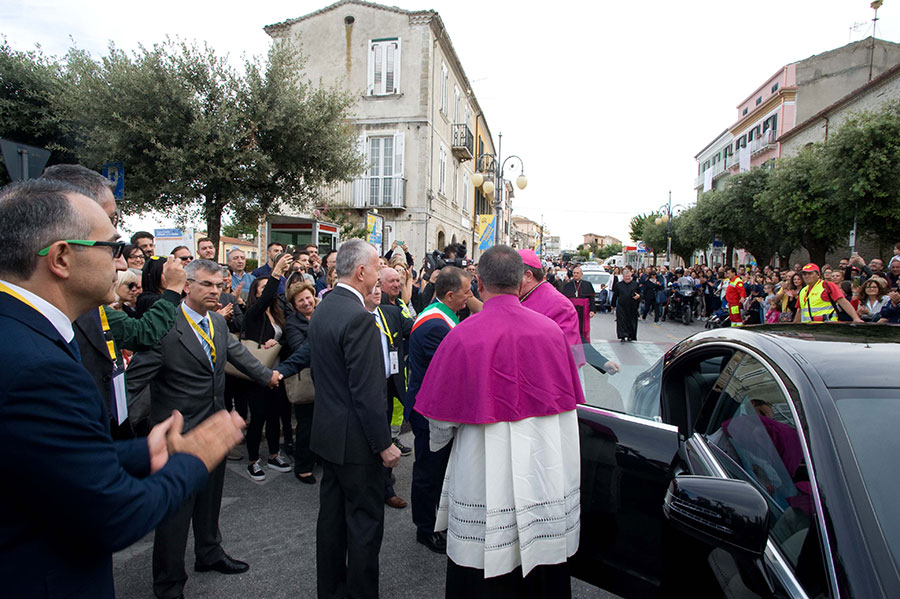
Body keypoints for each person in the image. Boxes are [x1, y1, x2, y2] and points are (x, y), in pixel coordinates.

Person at [0, 179, 246, 599]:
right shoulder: (39, 367)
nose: (121, 264)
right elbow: (112, 517)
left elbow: (48, 460)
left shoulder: (22, 332)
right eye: (112, 248)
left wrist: (144, 451)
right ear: (61, 257)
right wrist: (193, 459)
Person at [414, 245, 583, 597]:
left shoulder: (462, 334)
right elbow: (570, 404)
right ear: (521, 282)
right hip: (541, 465)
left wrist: (444, 440)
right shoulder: (551, 333)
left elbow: (438, 421)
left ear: (478, 281)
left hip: (482, 465)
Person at [126, 259, 281, 599]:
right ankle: (168, 584)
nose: (216, 291)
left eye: (219, 284)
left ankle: (209, 553)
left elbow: (238, 354)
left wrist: (267, 375)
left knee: (210, 500)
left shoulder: (217, 323)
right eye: (208, 285)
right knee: (175, 515)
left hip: (214, 427)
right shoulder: (164, 327)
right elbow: (131, 383)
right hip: (177, 438)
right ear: (187, 286)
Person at [308, 239, 401, 599]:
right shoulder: (359, 318)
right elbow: (367, 393)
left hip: (329, 436)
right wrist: (385, 445)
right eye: (377, 268)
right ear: (361, 271)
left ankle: (330, 591)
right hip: (357, 444)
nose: (379, 275)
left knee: (331, 524)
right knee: (363, 527)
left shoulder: (326, 307)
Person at [405, 266, 473, 554]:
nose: (469, 297)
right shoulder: (435, 324)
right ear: (449, 295)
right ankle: (425, 527)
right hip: (427, 410)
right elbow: (451, 368)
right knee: (428, 472)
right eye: (466, 292)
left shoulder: (443, 313)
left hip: (435, 406)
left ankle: (435, 520)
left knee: (438, 470)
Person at [238, 254, 294, 481]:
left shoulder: (278, 311)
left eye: (268, 287)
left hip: (277, 373)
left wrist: (278, 342)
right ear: (256, 293)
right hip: (257, 375)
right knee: (258, 417)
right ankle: (253, 461)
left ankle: (273, 454)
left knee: (275, 416)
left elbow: (287, 337)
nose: (267, 292)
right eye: (262, 288)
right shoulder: (254, 314)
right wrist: (275, 272)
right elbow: (264, 299)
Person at [365, 278, 412, 509]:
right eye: (372, 287)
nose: (376, 292)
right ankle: (367, 488)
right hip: (364, 390)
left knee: (384, 438)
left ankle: (387, 488)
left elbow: (415, 330)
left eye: (377, 287)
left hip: (388, 384)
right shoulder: (353, 316)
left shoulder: (391, 313)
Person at [284, 280, 318, 483]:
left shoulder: (322, 312)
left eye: (308, 298)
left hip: (327, 377)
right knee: (307, 425)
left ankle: (319, 457)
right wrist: (318, 330)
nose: (306, 303)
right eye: (300, 301)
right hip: (306, 379)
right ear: (294, 305)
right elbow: (298, 349)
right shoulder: (293, 323)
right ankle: (303, 466)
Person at [794, 263, 862, 323]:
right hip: (809, 328)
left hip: (828, 326)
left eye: (810, 273)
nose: (806, 276)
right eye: (804, 274)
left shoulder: (827, 286)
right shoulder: (803, 291)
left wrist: (856, 318)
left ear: (818, 275)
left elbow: (843, 302)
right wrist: (795, 326)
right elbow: (800, 310)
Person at [561, 265, 596, 344]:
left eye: (577, 273)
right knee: (572, 326)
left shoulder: (587, 284)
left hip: (584, 309)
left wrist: (592, 310)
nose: (575, 274)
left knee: (584, 327)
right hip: (572, 309)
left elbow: (591, 298)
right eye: (574, 273)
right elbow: (564, 299)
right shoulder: (568, 285)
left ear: (581, 274)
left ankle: (584, 342)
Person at [613, 266, 641, 341]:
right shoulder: (618, 285)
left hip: (632, 306)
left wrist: (639, 296)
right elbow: (615, 295)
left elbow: (640, 294)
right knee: (621, 321)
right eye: (626, 277)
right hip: (621, 306)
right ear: (623, 277)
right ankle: (622, 335)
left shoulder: (635, 284)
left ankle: (630, 335)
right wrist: (612, 305)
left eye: (628, 276)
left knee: (631, 321)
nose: (627, 278)